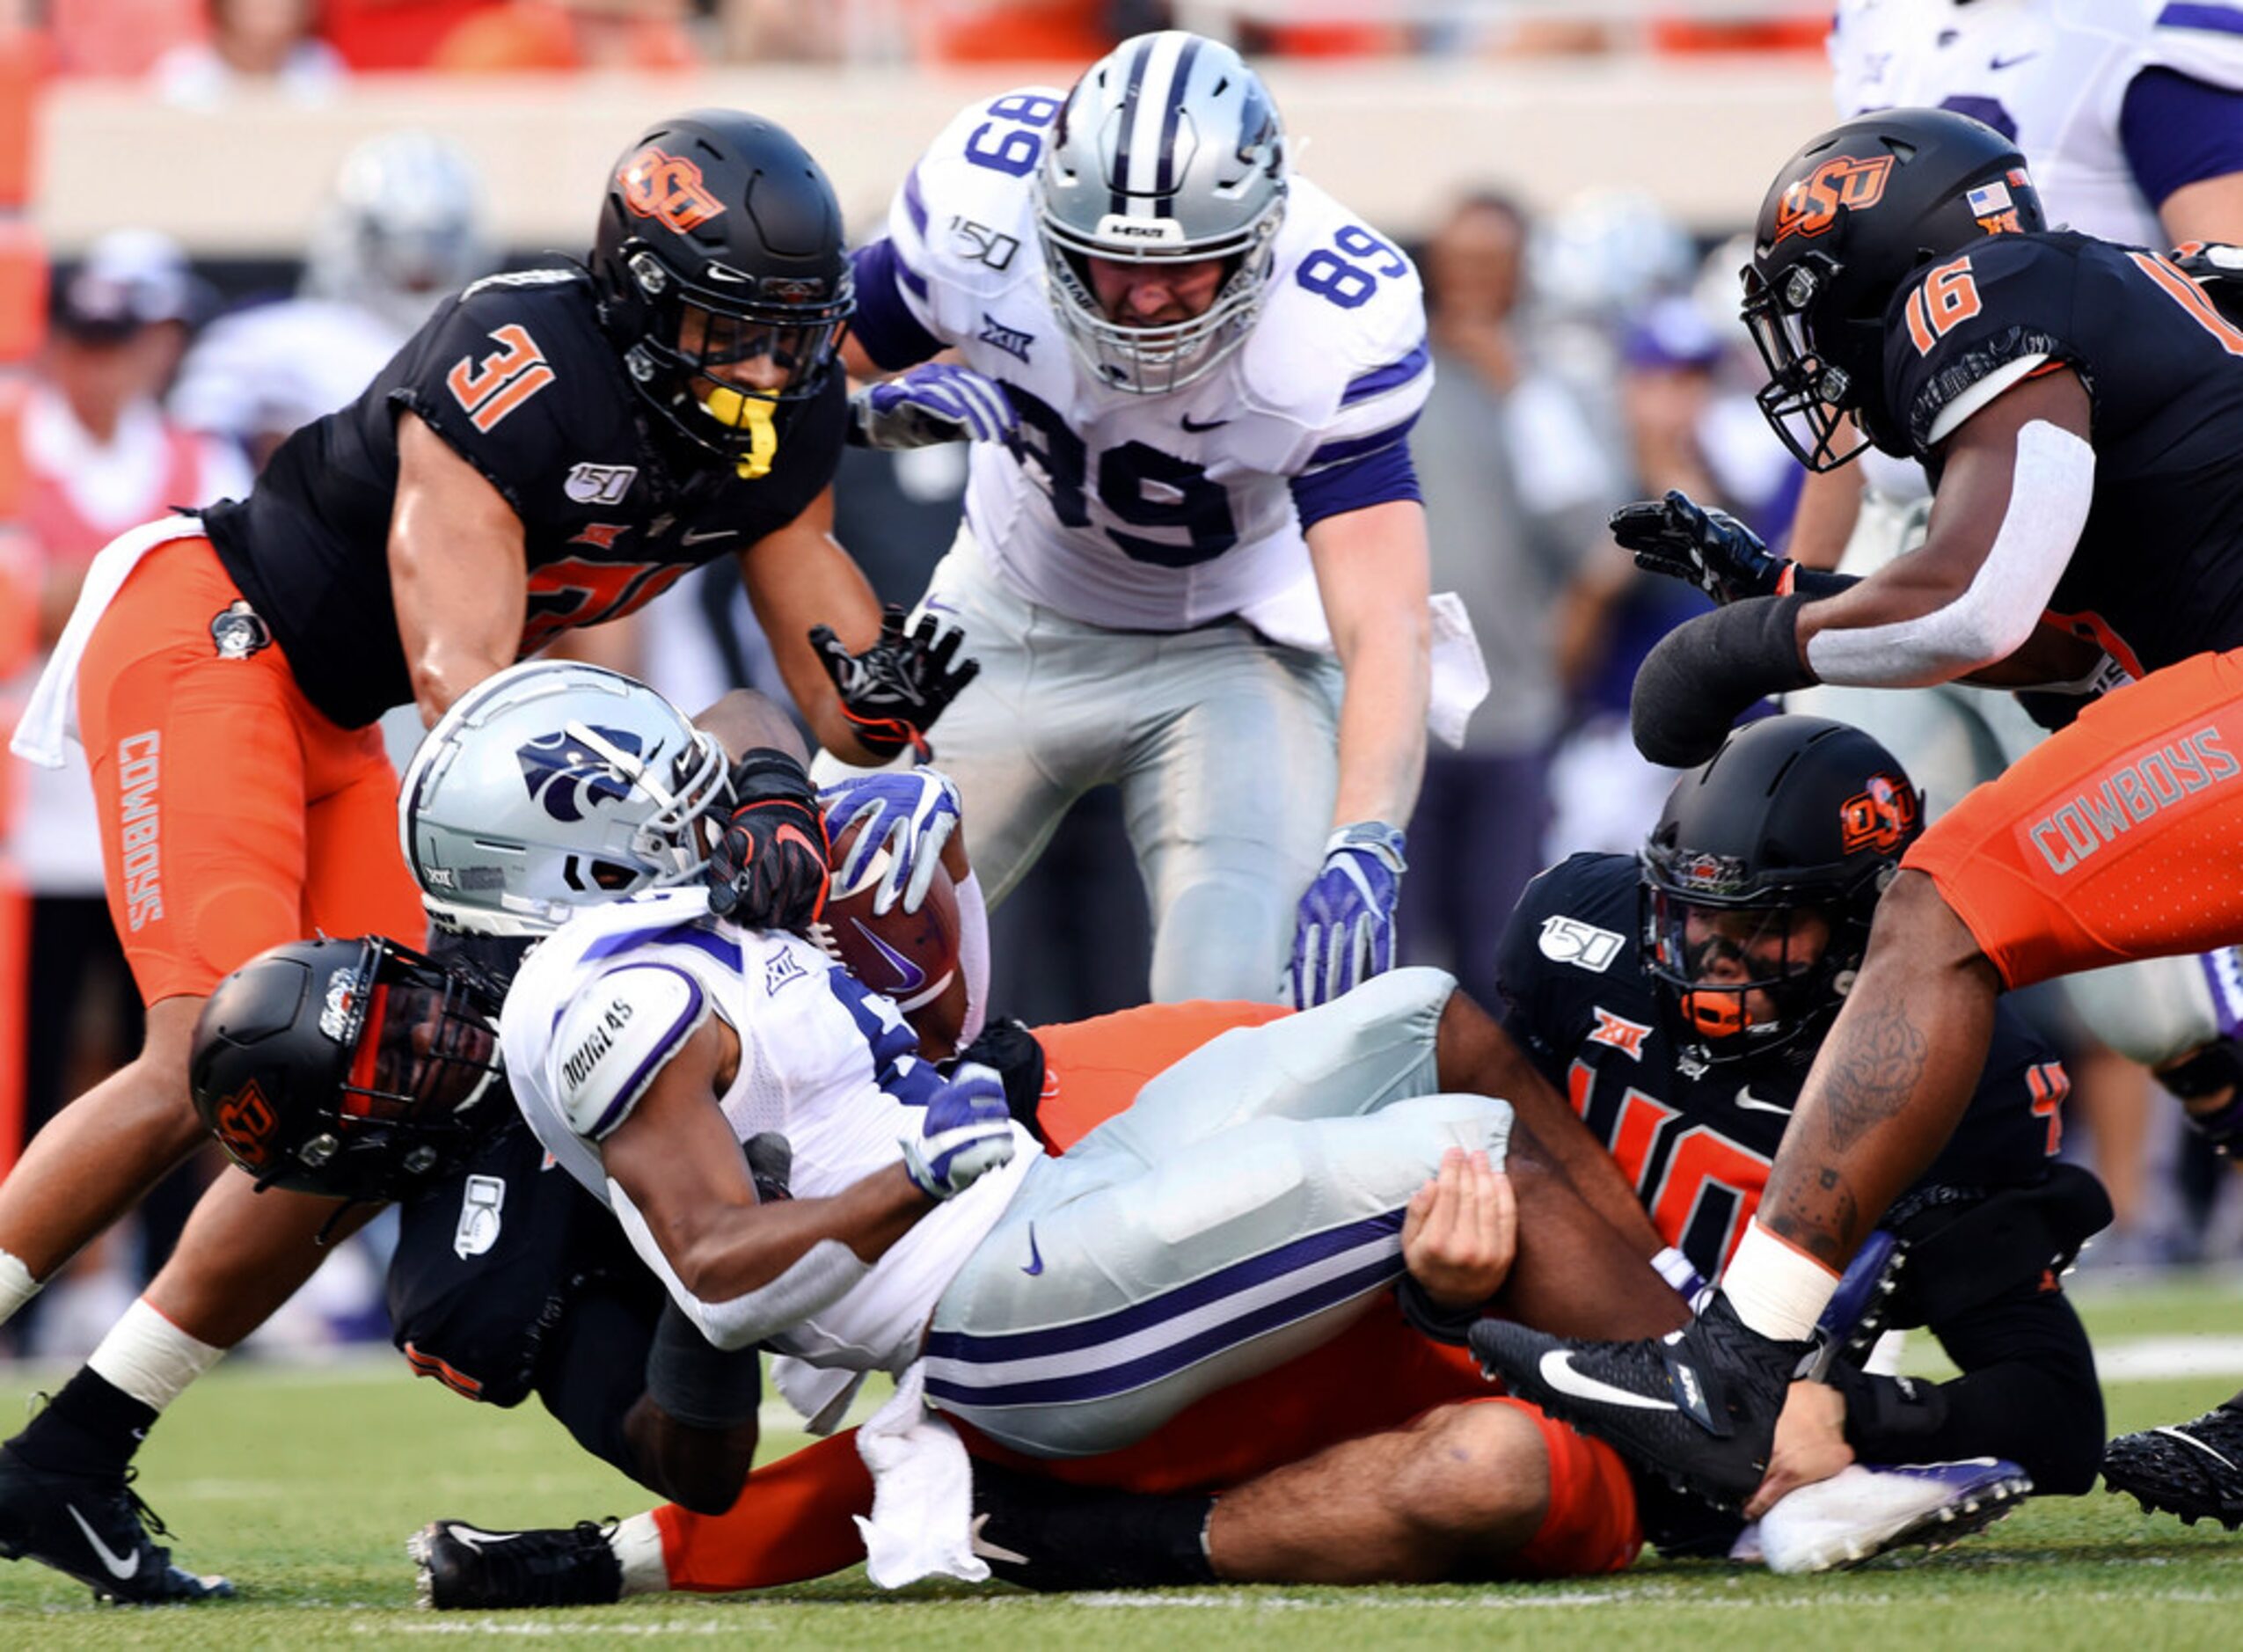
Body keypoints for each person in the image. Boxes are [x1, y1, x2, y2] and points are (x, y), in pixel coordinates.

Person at [411, 715, 2083, 1608]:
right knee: (1438, 1097)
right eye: (1691, 911)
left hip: (1564, 1377)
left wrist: (1860, 1406)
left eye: (1762, 923)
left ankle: (1725, 1420)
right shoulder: (1583, 943)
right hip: (1378, 1287)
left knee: (1484, 1451)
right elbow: (895, 1399)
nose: (1702, 956)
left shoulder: (1955, 1055)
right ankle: (1723, 1420)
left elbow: (2043, 1400)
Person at [0, 109, 970, 1602]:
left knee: (393, 1076)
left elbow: (836, 678)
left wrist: (883, 692)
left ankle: (72, 1448)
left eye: (791, 334)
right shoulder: (517, 359)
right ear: (642, 297)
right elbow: (468, 689)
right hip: (222, 633)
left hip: (353, 727)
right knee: (206, 1049)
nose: (767, 367)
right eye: (732, 327)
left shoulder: (777, 419)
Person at [1475, 106, 2243, 1517]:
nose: (1808, 357)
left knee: (1938, 909)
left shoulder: (1995, 286)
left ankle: (1736, 1357)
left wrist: (1733, 648)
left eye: (1810, 312)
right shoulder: (2130, 323)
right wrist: (1792, 598)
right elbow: (2063, 650)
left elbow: (1971, 595)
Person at [833, 28, 1466, 1010]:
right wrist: (860, 418)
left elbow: (1384, 616)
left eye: (1190, 265)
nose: (1145, 298)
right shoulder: (980, 205)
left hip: (1229, 656)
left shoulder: (1335, 313)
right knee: (814, 932)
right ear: (1047, 222)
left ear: (1261, 237)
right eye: (1106, 262)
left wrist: (1368, 840)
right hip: (1000, 622)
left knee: (1225, 1006)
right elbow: (784, 371)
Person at [1782, 0, 2243, 1272]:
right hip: (1909, 526)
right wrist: (1790, 589)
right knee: (1785, 845)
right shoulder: (1870, 22)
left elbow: (2226, 297)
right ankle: (1792, 1257)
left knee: (2153, 994)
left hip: (2089, 531)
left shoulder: (2131, 25)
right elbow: (1839, 366)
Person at [7, 231, 250, 1356]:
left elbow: (229, 611)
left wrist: (75, 585)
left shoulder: (198, 457)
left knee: (184, 1055)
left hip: (155, 803)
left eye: (134, 337)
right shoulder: (22, 439)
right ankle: (33, 1299)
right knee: (33, 1058)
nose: (110, 364)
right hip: (29, 821)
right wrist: (128, 585)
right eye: (90, 337)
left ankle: (165, 1287)